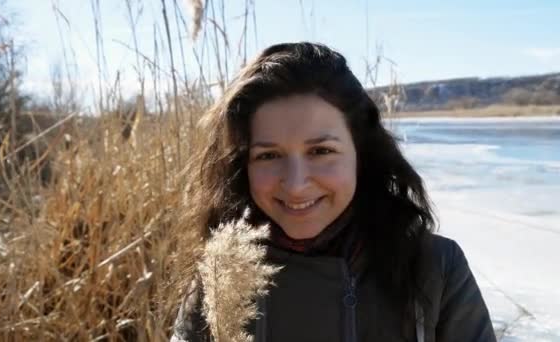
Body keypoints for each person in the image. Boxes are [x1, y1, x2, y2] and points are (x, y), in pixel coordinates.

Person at [171, 42, 495, 342]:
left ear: (361, 153)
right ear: (244, 167)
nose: (296, 184)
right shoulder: (220, 274)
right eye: (268, 156)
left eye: (321, 151)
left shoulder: (433, 269)